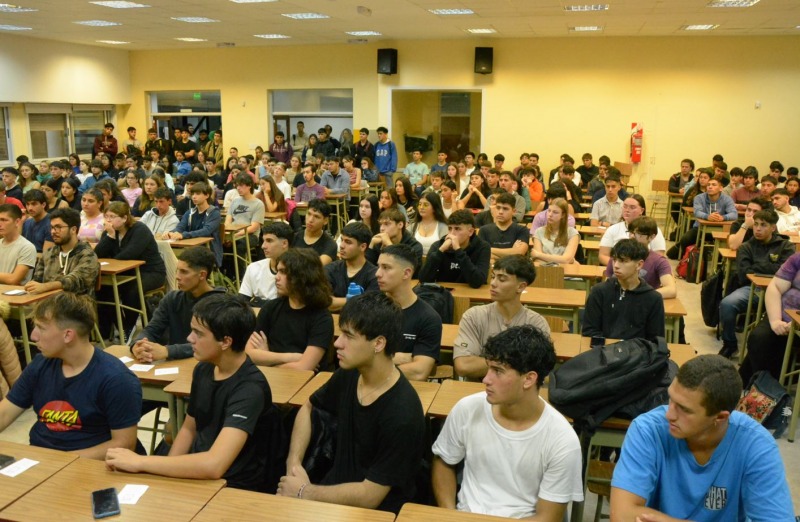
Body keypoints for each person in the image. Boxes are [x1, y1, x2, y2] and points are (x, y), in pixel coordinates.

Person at [106, 293, 274, 492]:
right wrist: (164, 477)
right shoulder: (204, 369)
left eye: (199, 333)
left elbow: (214, 465)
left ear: (226, 342)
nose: (189, 338)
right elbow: (188, 429)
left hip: (232, 485)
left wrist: (141, 462)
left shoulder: (249, 389)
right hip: (199, 470)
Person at [278, 292, 425, 513]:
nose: (337, 343)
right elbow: (309, 407)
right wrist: (294, 463)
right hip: (328, 494)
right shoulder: (349, 374)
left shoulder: (403, 412)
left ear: (378, 343)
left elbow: (370, 496)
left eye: (348, 335)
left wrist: (303, 492)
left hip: (374, 513)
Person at [610, 355, 794, 521]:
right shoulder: (647, 430)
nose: (669, 415)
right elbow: (622, 515)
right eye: (671, 399)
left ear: (720, 417)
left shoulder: (756, 445)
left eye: (685, 409)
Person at [433, 324, 582, 519]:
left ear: (528, 379)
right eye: (488, 368)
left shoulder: (562, 440)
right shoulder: (467, 408)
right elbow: (444, 461)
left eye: (498, 371)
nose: (486, 379)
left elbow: (547, 518)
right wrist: (449, 514)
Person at [0, 292, 140, 458]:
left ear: (68, 335)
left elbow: (124, 444)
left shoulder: (116, 379)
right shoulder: (40, 364)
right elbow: (5, 413)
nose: (33, 336)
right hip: (41, 459)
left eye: (41, 328)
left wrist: (61, 462)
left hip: (88, 467)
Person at [453, 255, 550, 381]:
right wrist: (516, 363)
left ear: (520, 287)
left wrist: (488, 363)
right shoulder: (474, 316)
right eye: (493, 277)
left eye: (502, 279)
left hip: (519, 394)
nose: (493, 283)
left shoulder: (536, 323)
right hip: (479, 388)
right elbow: (464, 366)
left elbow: (540, 370)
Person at [718, 209, 793, 359]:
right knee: (727, 304)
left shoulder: (786, 246)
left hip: (782, 292)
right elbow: (744, 274)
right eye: (756, 224)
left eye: (763, 225)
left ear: (773, 227)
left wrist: (758, 266)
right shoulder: (746, 246)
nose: (758, 229)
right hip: (754, 289)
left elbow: (789, 273)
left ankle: (780, 354)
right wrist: (775, 268)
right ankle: (730, 344)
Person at [131, 247, 225, 363]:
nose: (177, 276)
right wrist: (137, 345)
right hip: (175, 364)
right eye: (177, 270)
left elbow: (213, 344)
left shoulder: (221, 304)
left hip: (206, 365)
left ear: (202, 275)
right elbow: (151, 330)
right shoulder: (172, 299)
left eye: (184, 272)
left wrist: (168, 351)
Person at [247, 248, 333, 371]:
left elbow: (304, 367)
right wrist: (291, 357)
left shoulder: (321, 318)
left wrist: (266, 359)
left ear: (302, 276)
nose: (276, 277)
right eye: (277, 271)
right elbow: (249, 354)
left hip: (306, 384)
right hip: (272, 380)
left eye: (283, 272)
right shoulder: (270, 308)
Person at [94, 201, 167, 341]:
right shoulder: (110, 233)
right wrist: (109, 237)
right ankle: (117, 325)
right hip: (124, 272)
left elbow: (129, 254)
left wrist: (112, 258)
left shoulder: (140, 230)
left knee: (132, 288)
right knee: (103, 288)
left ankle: (130, 325)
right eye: (106, 216)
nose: (108, 220)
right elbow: (97, 254)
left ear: (124, 218)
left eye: (112, 216)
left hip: (151, 272)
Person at [375, 244, 441, 381]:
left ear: (406, 273)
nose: (378, 273)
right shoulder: (369, 308)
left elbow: (419, 372)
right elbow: (354, 357)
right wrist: (393, 358)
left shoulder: (428, 318)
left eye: (386, 268)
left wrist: (374, 365)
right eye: (379, 266)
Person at [583, 239, 664, 342]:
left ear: (639, 265)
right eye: (614, 260)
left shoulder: (653, 299)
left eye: (623, 261)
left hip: (637, 355)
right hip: (603, 352)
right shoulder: (599, 291)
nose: (616, 265)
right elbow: (589, 332)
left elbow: (655, 340)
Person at [739, 251, 800, 384]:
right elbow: (775, 287)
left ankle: (760, 388)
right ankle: (760, 387)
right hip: (782, 317)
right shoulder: (797, 258)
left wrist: (796, 323)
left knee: (770, 348)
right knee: (759, 338)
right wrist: (775, 321)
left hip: (796, 323)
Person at [25, 208, 99, 296]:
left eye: (58, 227)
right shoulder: (48, 253)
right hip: (47, 303)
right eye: (52, 227)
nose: (53, 231)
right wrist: (32, 286)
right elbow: (37, 279)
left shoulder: (87, 254)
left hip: (78, 305)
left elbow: (76, 280)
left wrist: (45, 287)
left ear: (73, 229)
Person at [603, 216, 676, 298]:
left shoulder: (659, 261)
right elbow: (607, 284)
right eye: (630, 232)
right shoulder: (617, 256)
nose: (632, 236)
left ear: (652, 237)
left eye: (638, 234)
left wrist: (639, 296)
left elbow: (671, 290)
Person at [668, 177, 737, 260]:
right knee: (685, 239)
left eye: (714, 185)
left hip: (721, 229)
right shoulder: (699, 198)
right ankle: (685, 260)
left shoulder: (727, 199)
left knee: (726, 246)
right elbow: (697, 212)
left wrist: (723, 217)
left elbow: (734, 214)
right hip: (700, 228)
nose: (710, 187)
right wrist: (708, 216)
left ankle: (718, 265)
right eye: (708, 185)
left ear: (721, 188)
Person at [419, 209, 491, 288]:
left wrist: (458, 250)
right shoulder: (438, 246)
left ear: (470, 232)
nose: (452, 233)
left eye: (457, 229)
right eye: (450, 228)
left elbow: (477, 282)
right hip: (442, 295)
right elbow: (423, 279)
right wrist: (440, 251)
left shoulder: (482, 247)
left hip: (471, 295)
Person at [325, 222, 380, 312]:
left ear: (362, 247)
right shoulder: (330, 269)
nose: (342, 246)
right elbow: (324, 303)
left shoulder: (375, 275)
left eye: (348, 242)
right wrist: (354, 300)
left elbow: (369, 308)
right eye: (342, 240)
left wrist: (337, 302)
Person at [166, 182, 223, 267]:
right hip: (191, 248)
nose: (194, 196)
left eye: (198, 194)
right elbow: (180, 227)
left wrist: (183, 235)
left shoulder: (214, 213)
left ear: (207, 195)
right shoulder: (190, 212)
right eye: (192, 194)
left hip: (209, 250)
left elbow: (206, 231)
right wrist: (171, 233)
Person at [599, 194, 666, 266]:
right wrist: (621, 266)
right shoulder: (612, 229)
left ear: (642, 210)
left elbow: (659, 257)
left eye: (632, 207)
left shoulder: (654, 230)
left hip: (644, 271)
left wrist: (637, 268)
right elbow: (603, 256)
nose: (627, 210)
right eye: (625, 206)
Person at [240, 222, 293, 307]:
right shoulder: (253, 268)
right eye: (263, 240)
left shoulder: (298, 270)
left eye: (269, 241)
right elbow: (242, 303)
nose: (263, 246)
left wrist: (259, 302)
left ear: (284, 243)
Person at [479, 192, 530, 262]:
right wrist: (512, 251)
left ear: (513, 211)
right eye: (498, 208)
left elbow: (519, 252)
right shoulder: (484, 230)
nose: (500, 212)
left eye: (505, 209)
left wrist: (489, 249)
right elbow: (481, 253)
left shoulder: (522, 230)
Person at [531, 197, 581, 265]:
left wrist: (539, 255)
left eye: (555, 212)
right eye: (549, 211)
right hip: (544, 271)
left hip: (566, 272)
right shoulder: (539, 232)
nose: (550, 215)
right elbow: (538, 261)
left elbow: (566, 260)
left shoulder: (573, 233)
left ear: (563, 215)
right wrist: (561, 260)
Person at [292, 198, 337, 265]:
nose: (310, 220)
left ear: (325, 221)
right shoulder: (293, 237)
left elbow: (316, 268)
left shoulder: (330, 244)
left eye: (316, 216)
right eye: (309, 214)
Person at [0, 203, 37, 285]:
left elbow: (13, 279)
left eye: (4, 220)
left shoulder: (27, 247)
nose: (0, 224)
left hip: (14, 295)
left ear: (17, 222)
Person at [408, 192, 448, 256]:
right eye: (420, 204)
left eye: (426, 205)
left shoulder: (443, 227)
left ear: (434, 208)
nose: (421, 207)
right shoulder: (412, 227)